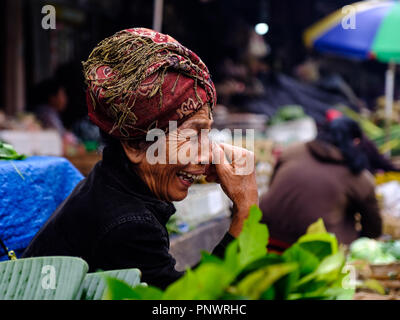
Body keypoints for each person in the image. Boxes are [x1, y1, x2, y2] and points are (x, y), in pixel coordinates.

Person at [22, 28, 258, 289]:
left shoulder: (111, 180)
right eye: (193, 135)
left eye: (207, 133)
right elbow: (182, 302)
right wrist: (244, 214)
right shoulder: (129, 226)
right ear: (135, 146)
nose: (207, 155)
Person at [260, 117, 382, 253]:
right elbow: (373, 229)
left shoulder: (293, 150)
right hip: (315, 248)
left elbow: (273, 186)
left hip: (266, 234)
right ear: (356, 142)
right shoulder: (359, 177)